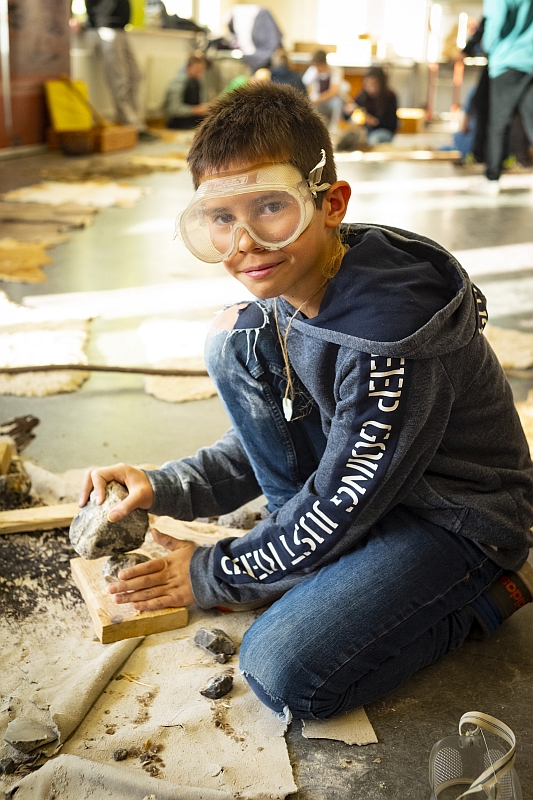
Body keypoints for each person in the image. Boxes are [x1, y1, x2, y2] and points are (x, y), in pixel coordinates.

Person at [81, 83, 533, 721]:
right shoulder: (295, 289)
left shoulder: (387, 340)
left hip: (455, 519)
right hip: (369, 482)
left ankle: (489, 597)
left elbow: (338, 506)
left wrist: (211, 575)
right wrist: (165, 486)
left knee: (282, 670)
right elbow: (286, 429)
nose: (244, 243)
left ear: (330, 203)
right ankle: (305, 563)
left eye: (270, 207)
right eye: (220, 218)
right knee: (237, 337)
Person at [85, 0, 155, 140]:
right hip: (106, 28)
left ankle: (138, 122)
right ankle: (132, 125)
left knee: (136, 75)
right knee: (119, 79)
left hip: (121, 29)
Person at [481, 0, 533, 189]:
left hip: (506, 61)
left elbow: (495, 21)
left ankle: (492, 179)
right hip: (530, 62)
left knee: (498, 124)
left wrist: (487, 46)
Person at [346, 66, 398, 146]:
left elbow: (393, 124)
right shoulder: (363, 95)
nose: (371, 88)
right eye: (368, 84)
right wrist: (348, 111)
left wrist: (374, 122)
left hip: (384, 132)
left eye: (374, 84)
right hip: (366, 132)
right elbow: (347, 116)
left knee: (373, 140)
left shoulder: (390, 96)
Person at [163, 54, 210, 130]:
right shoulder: (177, 83)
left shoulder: (198, 82)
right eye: (197, 70)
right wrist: (195, 110)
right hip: (177, 124)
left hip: (195, 124)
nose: (199, 73)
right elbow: (172, 109)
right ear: (188, 67)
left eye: (202, 70)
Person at [302, 50, 344, 130]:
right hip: (317, 100)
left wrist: (318, 99)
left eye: (319, 66)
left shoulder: (335, 70)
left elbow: (334, 91)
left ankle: (334, 129)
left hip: (331, 100)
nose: (317, 69)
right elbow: (306, 85)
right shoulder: (313, 70)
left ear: (325, 64)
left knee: (338, 102)